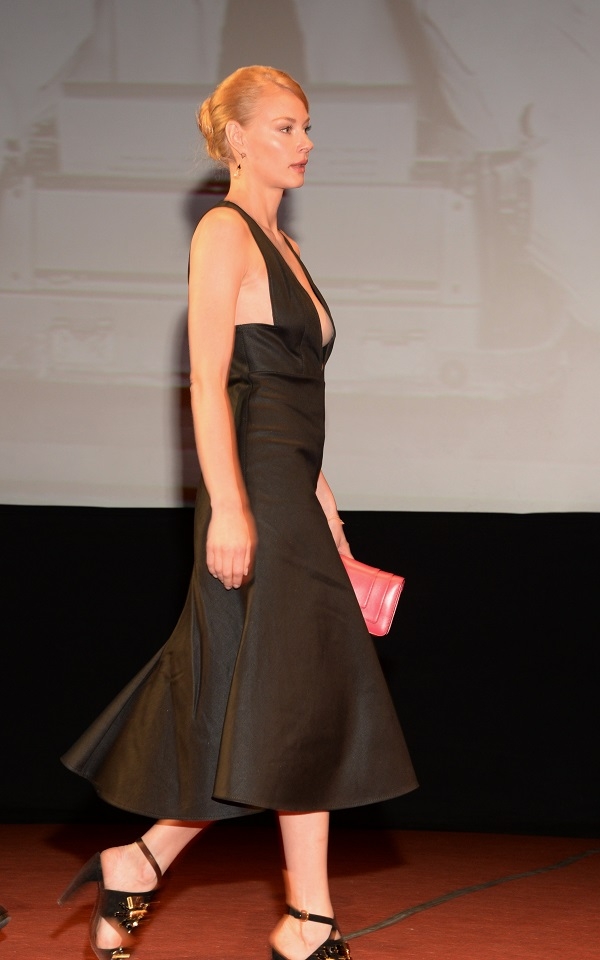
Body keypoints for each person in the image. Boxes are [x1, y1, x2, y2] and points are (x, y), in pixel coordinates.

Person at [59, 65, 417, 960]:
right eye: (286, 127)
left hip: (290, 493)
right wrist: (227, 506)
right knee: (296, 690)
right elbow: (210, 382)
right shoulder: (223, 231)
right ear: (237, 139)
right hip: (249, 495)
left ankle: (147, 861)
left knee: (267, 696)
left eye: (307, 126)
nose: (305, 143)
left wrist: (330, 517)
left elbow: (292, 403)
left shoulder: (284, 243)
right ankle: (307, 918)